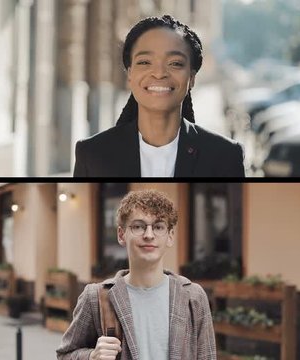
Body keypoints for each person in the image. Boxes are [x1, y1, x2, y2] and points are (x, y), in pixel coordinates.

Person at [74, 15, 244, 177]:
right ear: (130, 75)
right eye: (145, 62)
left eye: (175, 63)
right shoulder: (91, 154)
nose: (159, 73)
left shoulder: (226, 155)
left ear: (191, 78)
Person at [57, 189, 216, 360]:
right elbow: (64, 355)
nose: (149, 235)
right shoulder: (95, 297)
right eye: (138, 226)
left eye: (158, 227)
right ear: (121, 234)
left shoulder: (193, 297)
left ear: (170, 236)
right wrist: (91, 356)